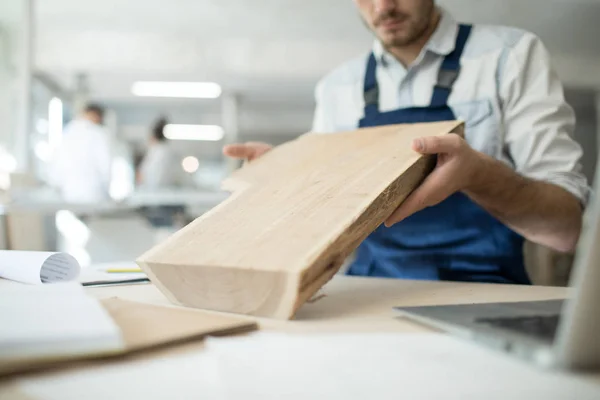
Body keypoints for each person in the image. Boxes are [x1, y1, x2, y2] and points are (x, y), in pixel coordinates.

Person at [223, 0, 589, 284]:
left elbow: (565, 229)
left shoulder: (510, 57)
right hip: (367, 290)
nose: (383, 7)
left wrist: (479, 175)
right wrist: (285, 183)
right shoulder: (337, 88)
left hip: (484, 293)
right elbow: (324, 225)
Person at [51, 103, 112, 203]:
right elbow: (105, 165)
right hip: (93, 191)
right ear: (97, 116)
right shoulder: (98, 133)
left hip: (68, 191)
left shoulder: (67, 131)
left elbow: (57, 163)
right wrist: (107, 189)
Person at [137, 117, 183, 190]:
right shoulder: (159, 151)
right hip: (156, 193)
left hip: (155, 194)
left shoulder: (159, 152)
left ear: (153, 136)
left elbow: (150, 176)